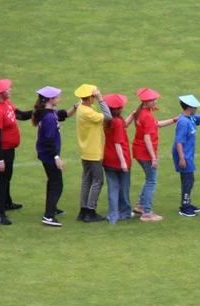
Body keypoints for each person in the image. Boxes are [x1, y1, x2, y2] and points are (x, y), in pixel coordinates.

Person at [0, 79, 32, 225]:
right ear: (0, 93)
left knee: (7, 176)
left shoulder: (5, 103)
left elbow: (21, 115)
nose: (10, 90)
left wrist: (38, 111)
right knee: (1, 180)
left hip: (8, 149)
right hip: (1, 151)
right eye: (8, 89)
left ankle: (6, 202)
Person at [32, 86, 76, 227]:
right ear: (50, 99)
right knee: (57, 185)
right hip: (49, 155)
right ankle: (48, 216)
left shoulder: (48, 112)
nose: (59, 99)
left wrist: (75, 107)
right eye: (57, 97)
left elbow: (63, 114)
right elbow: (49, 140)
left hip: (46, 154)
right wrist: (56, 158)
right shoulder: (49, 117)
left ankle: (52, 208)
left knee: (52, 182)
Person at [132, 88, 177, 221]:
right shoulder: (147, 115)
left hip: (138, 151)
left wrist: (174, 119)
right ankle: (147, 213)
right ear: (145, 102)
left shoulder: (141, 112)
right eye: (152, 100)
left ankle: (140, 205)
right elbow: (147, 138)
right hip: (145, 154)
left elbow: (157, 124)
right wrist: (153, 158)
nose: (155, 101)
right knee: (152, 181)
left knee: (149, 180)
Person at [172, 94, 200, 217]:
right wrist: (182, 158)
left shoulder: (190, 118)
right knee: (188, 180)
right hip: (184, 155)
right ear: (188, 108)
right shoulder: (183, 122)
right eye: (194, 107)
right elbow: (179, 142)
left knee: (188, 180)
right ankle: (184, 207)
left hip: (187, 155)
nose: (196, 108)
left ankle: (187, 203)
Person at [75, 84, 110, 222]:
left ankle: (83, 210)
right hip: (93, 151)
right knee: (98, 181)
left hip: (85, 151)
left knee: (86, 180)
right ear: (89, 98)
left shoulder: (81, 108)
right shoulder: (88, 112)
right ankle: (90, 211)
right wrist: (101, 99)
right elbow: (107, 117)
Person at [101, 94, 135, 224]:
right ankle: (124, 212)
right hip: (120, 159)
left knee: (112, 188)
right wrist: (123, 162)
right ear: (116, 109)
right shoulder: (118, 123)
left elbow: (124, 125)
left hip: (108, 159)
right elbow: (118, 143)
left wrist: (132, 115)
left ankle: (112, 216)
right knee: (124, 187)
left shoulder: (108, 121)